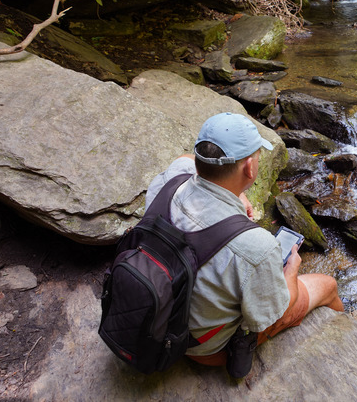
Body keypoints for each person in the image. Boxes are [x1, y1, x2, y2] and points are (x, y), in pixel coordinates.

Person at [145, 112, 344, 377]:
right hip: (202, 349)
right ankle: (347, 341)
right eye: (259, 157)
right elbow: (275, 313)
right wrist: (291, 269)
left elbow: (184, 160)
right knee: (328, 286)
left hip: (156, 313)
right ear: (250, 168)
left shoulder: (167, 183)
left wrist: (237, 192)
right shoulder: (255, 247)